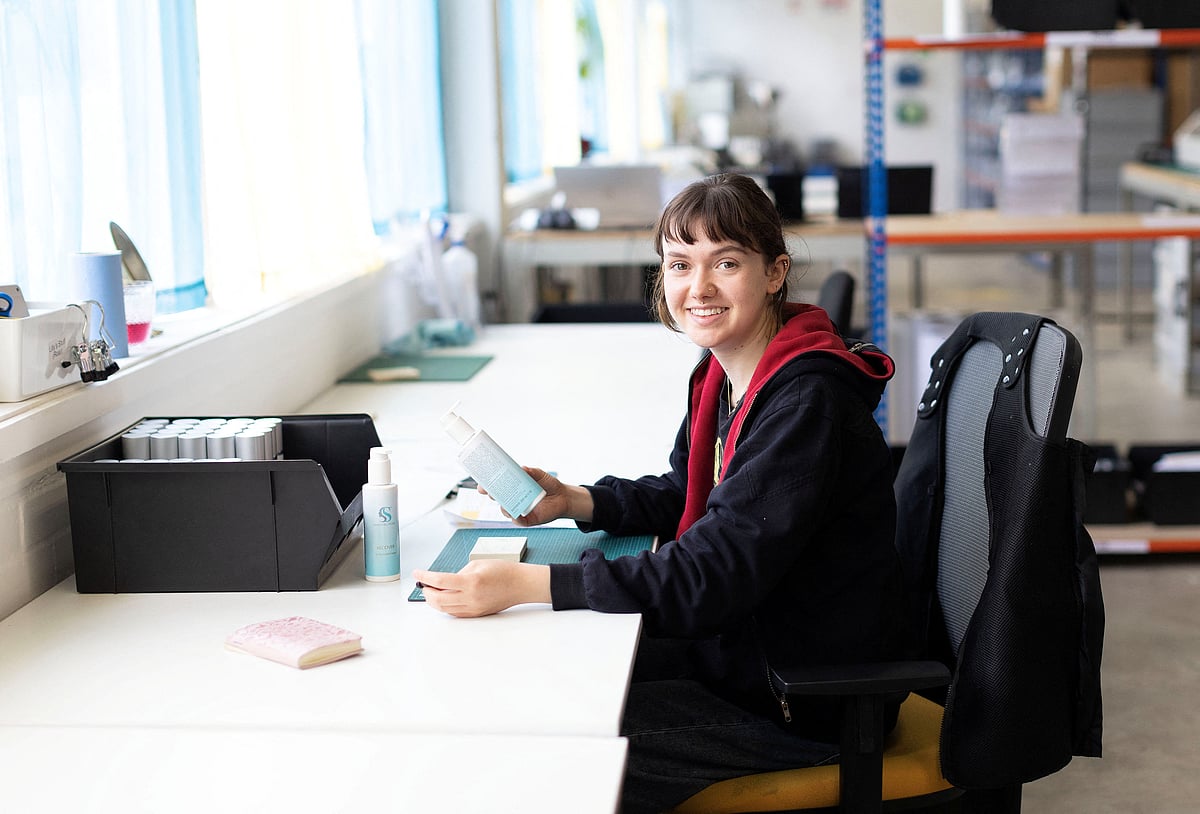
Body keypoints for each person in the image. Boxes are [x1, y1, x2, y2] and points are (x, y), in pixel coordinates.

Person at [414, 173, 908, 813]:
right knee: (540, 686)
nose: (697, 288)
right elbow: (693, 493)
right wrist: (576, 500)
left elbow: (713, 573)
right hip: (747, 650)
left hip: (799, 697)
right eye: (680, 265)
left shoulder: (803, 402)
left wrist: (529, 586)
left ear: (775, 272)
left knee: (552, 745)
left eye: (725, 263)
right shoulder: (725, 373)